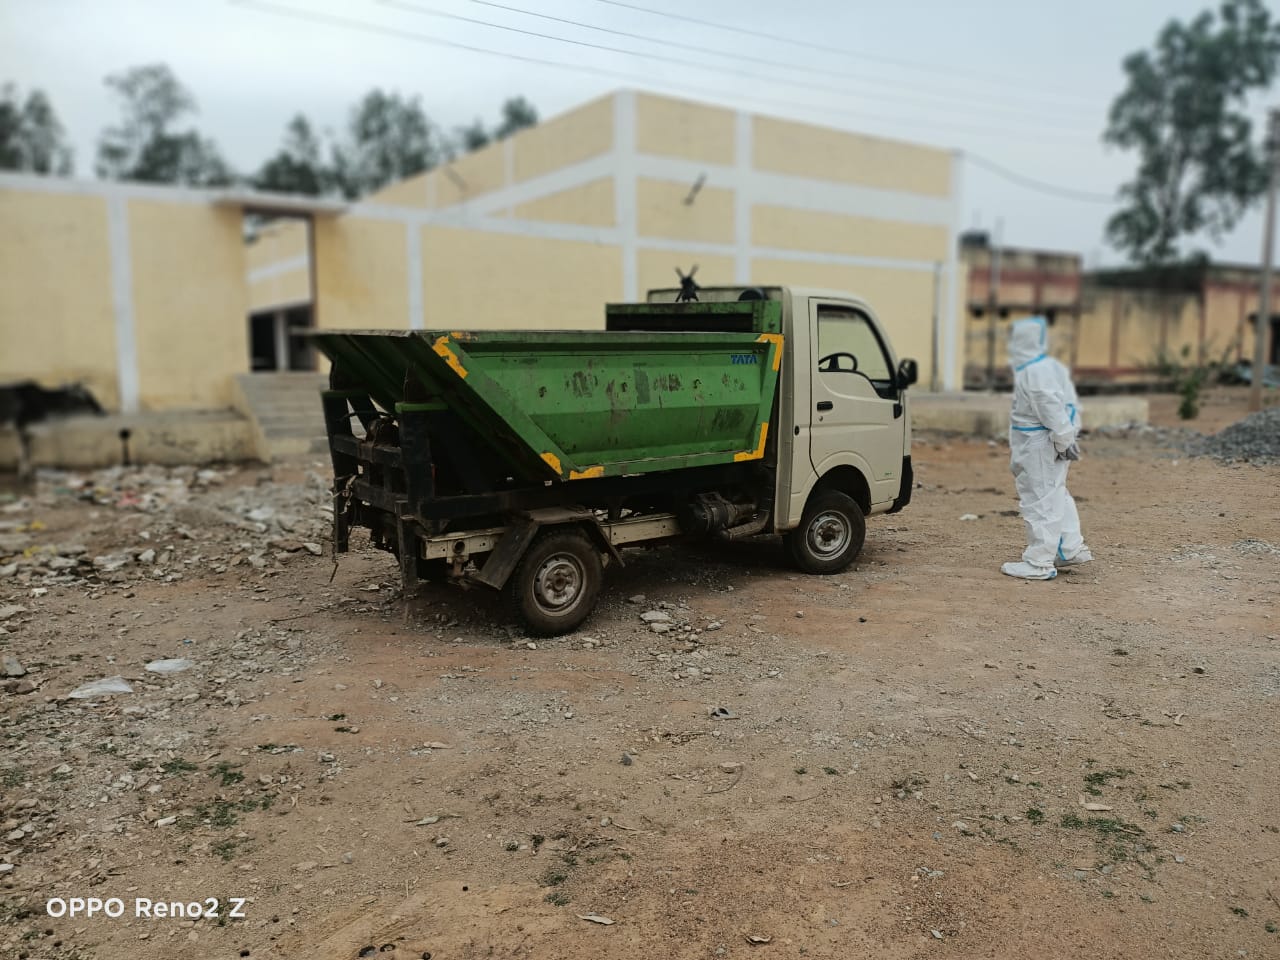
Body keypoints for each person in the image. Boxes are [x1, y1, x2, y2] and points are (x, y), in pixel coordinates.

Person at [1001, 316, 1093, 580]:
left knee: (1040, 499)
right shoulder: (1048, 366)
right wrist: (1067, 438)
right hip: (1050, 440)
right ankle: (1069, 548)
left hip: (1040, 444)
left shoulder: (1034, 372)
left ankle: (1039, 562)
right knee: (1055, 494)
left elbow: (1050, 408)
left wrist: (1064, 439)